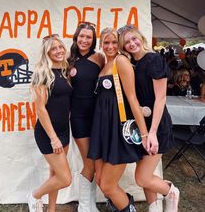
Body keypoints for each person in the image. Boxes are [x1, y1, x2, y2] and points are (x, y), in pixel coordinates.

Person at [118, 25, 179, 212]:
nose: (132, 43)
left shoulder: (153, 59)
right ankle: (155, 208)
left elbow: (160, 98)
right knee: (146, 172)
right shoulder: (132, 64)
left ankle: (170, 191)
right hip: (140, 125)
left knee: (142, 177)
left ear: (141, 38)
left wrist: (152, 132)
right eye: (127, 42)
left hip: (156, 125)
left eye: (134, 39)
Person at [88, 27, 148, 212]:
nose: (110, 46)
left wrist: (144, 134)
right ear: (101, 44)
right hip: (101, 127)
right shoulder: (104, 63)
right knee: (99, 180)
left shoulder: (121, 61)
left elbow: (132, 98)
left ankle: (128, 208)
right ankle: (123, 202)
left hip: (116, 127)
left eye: (114, 42)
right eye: (106, 42)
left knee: (107, 185)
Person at [28, 35, 72, 212]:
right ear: (47, 52)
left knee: (54, 173)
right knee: (65, 178)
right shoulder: (42, 73)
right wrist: (53, 138)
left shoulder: (63, 70)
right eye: (53, 49)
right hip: (48, 133)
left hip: (64, 130)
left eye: (60, 47)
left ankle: (51, 209)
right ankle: (34, 196)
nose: (59, 51)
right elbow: (41, 109)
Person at [68, 21, 104, 212]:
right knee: (89, 159)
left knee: (96, 158)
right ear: (76, 37)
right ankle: (84, 205)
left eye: (88, 37)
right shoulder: (68, 58)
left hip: (97, 116)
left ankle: (88, 204)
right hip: (79, 117)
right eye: (81, 36)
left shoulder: (99, 58)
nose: (84, 40)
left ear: (93, 40)